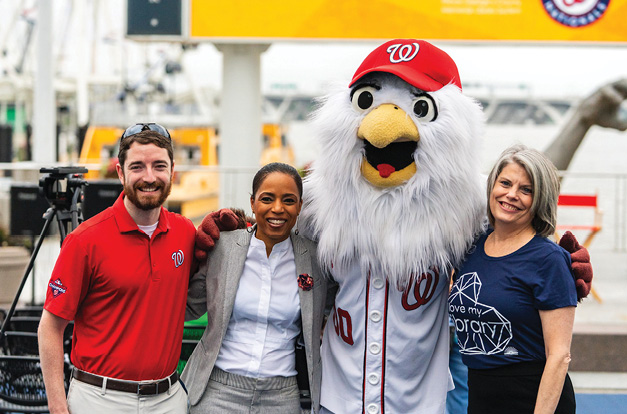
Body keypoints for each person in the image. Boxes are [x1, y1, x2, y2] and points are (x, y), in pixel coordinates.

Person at [38, 124, 197, 414]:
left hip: (168, 399)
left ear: (172, 171)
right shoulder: (84, 241)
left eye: (159, 166)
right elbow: (50, 327)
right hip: (99, 400)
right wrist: (57, 407)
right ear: (121, 172)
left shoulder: (185, 232)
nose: (149, 177)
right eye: (137, 167)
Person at [182, 162, 328, 414]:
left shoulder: (316, 258)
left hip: (282, 396)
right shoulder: (223, 247)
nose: (278, 209)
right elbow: (187, 306)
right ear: (252, 203)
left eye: (289, 200)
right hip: (217, 390)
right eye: (267, 199)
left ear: (300, 206)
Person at [448, 144, 577, 414]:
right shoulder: (470, 247)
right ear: (492, 186)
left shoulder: (547, 259)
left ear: (540, 198)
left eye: (526, 189)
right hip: (480, 394)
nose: (511, 195)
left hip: (532, 397)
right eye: (505, 183)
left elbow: (559, 356)